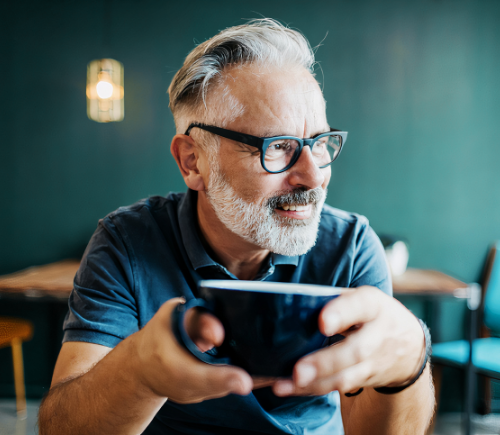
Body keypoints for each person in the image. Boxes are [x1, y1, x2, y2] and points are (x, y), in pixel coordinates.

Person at [39, 19, 434, 435]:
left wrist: (408, 364)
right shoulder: (127, 241)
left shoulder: (349, 248)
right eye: (278, 147)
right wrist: (140, 370)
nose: (314, 177)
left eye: (319, 143)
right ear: (192, 161)